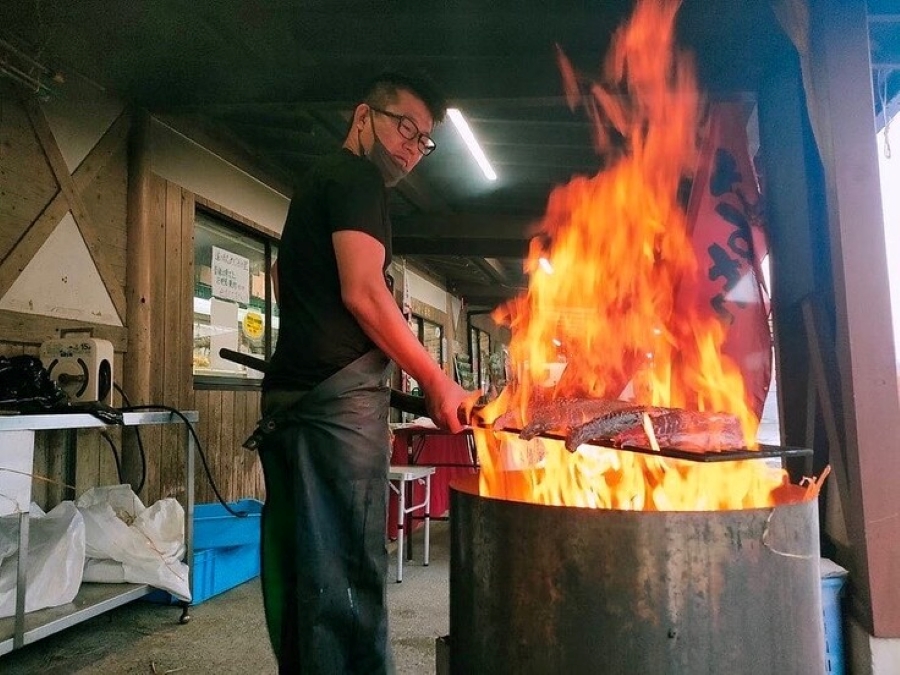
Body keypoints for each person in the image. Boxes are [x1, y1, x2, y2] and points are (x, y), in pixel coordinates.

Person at [255, 71, 469, 673]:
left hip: (297, 400)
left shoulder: (317, 184)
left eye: (424, 140)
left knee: (311, 576)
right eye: (405, 126)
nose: (412, 146)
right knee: (344, 581)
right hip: (333, 411)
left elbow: (288, 281)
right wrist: (434, 380)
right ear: (362, 116)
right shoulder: (356, 177)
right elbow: (363, 293)